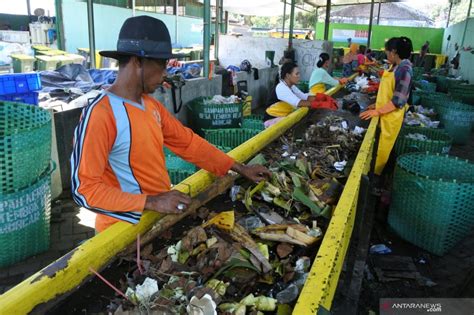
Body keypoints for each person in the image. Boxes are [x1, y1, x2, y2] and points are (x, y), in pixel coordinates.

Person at [70, 16, 271, 233]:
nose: (166, 73)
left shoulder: (150, 106)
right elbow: (84, 190)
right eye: (161, 64)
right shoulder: (101, 114)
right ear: (138, 61)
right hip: (120, 232)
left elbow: (188, 143)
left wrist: (240, 168)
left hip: (155, 222)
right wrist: (151, 201)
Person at [359, 36, 413, 184]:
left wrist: (378, 111)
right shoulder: (395, 66)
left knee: (382, 152)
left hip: (391, 118)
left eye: (388, 52)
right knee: (377, 149)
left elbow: (398, 101)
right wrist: (377, 106)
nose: (387, 55)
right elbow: (389, 93)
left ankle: (374, 183)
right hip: (384, 113)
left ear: (394, 52)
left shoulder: (404, 70)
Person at [265, 61, 338, 119]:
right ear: (288, 75)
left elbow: (304, 97)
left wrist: (323, 98)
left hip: (282, 115)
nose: (299, 76)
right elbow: (298, 102)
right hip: (272, 118)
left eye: (299, 73)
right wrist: (321, 104)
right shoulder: (281, 88)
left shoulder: (291, 86)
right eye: (297, 74)